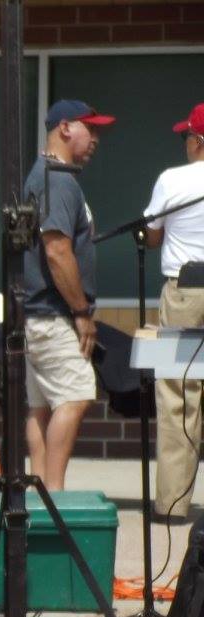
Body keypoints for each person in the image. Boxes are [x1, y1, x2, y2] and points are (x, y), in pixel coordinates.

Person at [22, 99, 115, 491]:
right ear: (64, 128)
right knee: (76, 397)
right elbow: (57, 249)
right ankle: (54, 497)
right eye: (89, 129)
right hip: (54, 313)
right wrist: (81, 312)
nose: (95, 138)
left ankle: (40, 498)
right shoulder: (58, 180)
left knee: (41, 407)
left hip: (36, 314)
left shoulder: (43, 174)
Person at [146, 103, 204, 521]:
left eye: (186, 136)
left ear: (197, 141)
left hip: (184, 293)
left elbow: (151, 236)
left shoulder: (172, 179)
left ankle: (172, 505)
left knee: (176, 395)